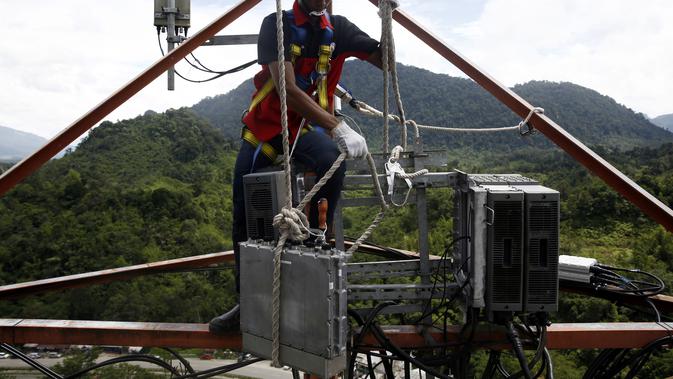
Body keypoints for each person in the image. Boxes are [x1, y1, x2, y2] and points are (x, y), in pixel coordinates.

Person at [209, 0, 382, 333]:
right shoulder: (277, 24)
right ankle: (247, 304)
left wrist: (389, 18)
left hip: (307, 128)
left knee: (330, 160)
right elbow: (287, 87)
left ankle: (318, 241)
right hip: (270, 129)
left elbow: (385, 62)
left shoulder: (340, 29)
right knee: (243, 211)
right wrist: (337, 126)